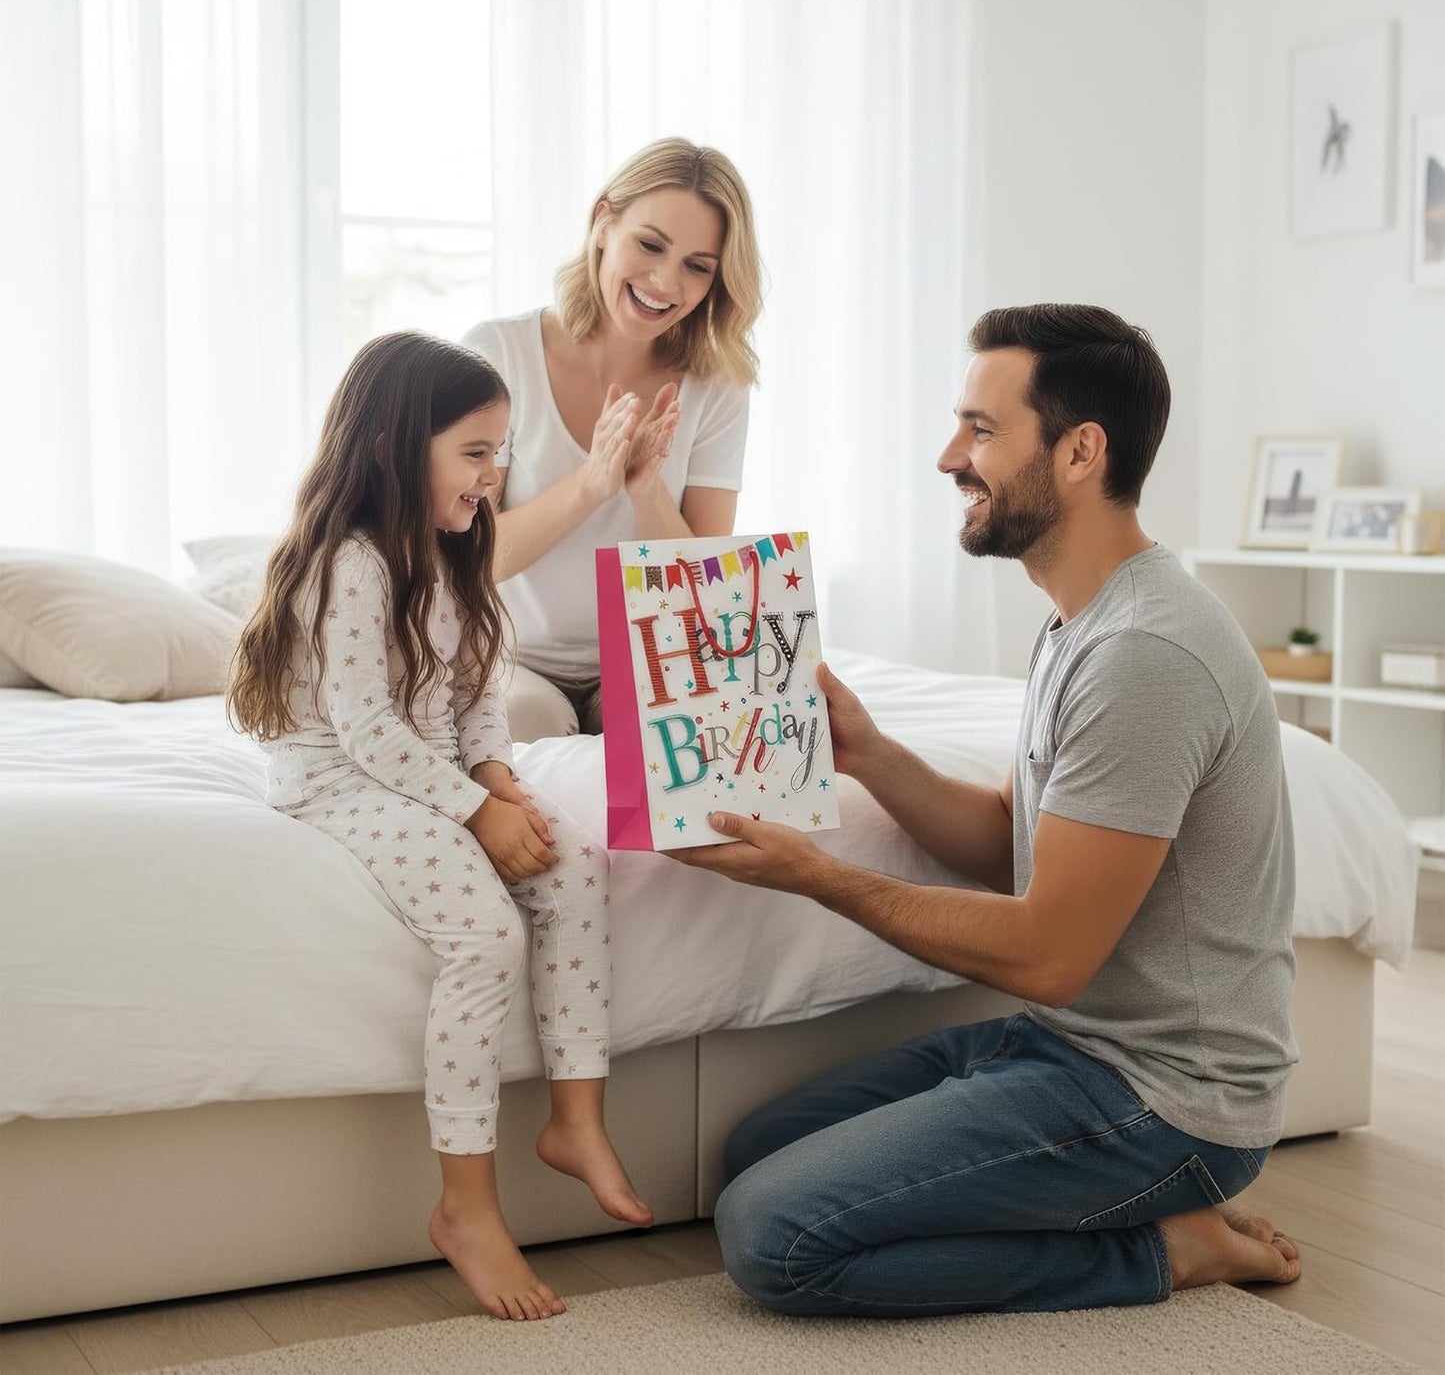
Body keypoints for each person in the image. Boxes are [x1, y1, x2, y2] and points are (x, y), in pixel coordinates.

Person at [671, 304, 1304, 1317]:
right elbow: (1008, 847)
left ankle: (1166, 1247)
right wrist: (869, 752)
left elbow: (1049, 951)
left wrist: (815, 873)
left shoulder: (1146, 653)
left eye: (978, 429)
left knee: (773, 1236)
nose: (944, 457)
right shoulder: (1077, 620)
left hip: (1165, 1101)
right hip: (1063, 1046)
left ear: (1078, 451)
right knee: (751, 1156)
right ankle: (1079, 1202)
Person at [228, 331, 651, 1323]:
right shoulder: (350, 564)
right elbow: (365, 725)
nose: (493, 474)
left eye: (501, 451)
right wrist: (473, 811)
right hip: (338, 773)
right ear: (391, 443)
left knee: (576, 861)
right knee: (486, 931)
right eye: (474, 452)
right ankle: (465, 1204)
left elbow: (475, 697)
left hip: (430, 767)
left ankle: (575, 1119)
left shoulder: (455, 551)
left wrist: (498, 778)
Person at [461, 137, 763, 739]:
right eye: (650, 245)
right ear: (603, 222)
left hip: (655, 658)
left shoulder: (717, 385)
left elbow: (705, 590)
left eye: (697, 266)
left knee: (661, 737)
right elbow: (471, 559)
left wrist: (646, 489)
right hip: (513, 660)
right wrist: (591, 484)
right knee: (528, 723)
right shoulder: (498, 355)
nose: (664, 281)